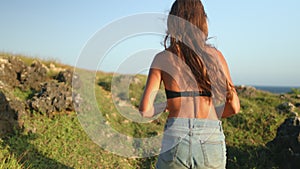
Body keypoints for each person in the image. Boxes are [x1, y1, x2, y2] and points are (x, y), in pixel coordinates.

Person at [139, 0, 240, 168]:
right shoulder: (216, 56)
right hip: (211, 136)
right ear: (202, 21)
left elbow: (145, 110)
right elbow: (234, 106)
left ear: (173, 22)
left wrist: (166, 105)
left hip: (176, 136)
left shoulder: (162, 58)